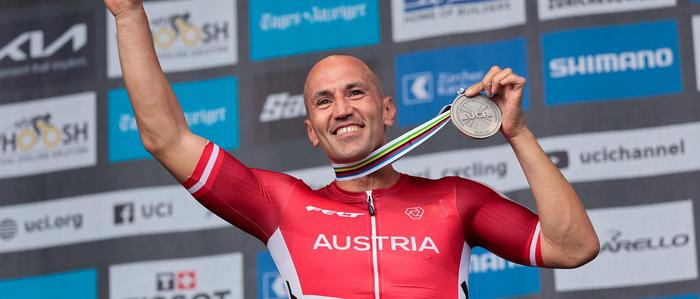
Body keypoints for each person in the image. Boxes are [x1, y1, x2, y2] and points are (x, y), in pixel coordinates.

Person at [105, 0, 599, 298]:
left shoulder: (456, 199)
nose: (340, 108)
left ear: (387, 110)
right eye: (324, 101)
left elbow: (574, 247)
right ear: (311, 131)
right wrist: (128, 14)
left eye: (355, 93)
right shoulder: (281, 205)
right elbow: (165, 136)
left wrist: (517, 132)